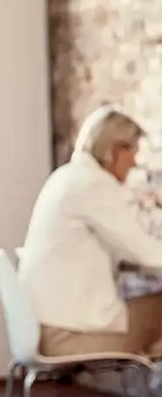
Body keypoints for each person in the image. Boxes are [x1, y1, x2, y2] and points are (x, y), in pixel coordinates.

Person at [20, 106, 162, 358]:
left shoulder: (68, 177)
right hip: (70, 337)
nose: (136, 162)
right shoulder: (94, 185)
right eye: (134, 152)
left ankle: (146, 376)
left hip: (43, 329)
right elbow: (148, 254)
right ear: (116, 150)